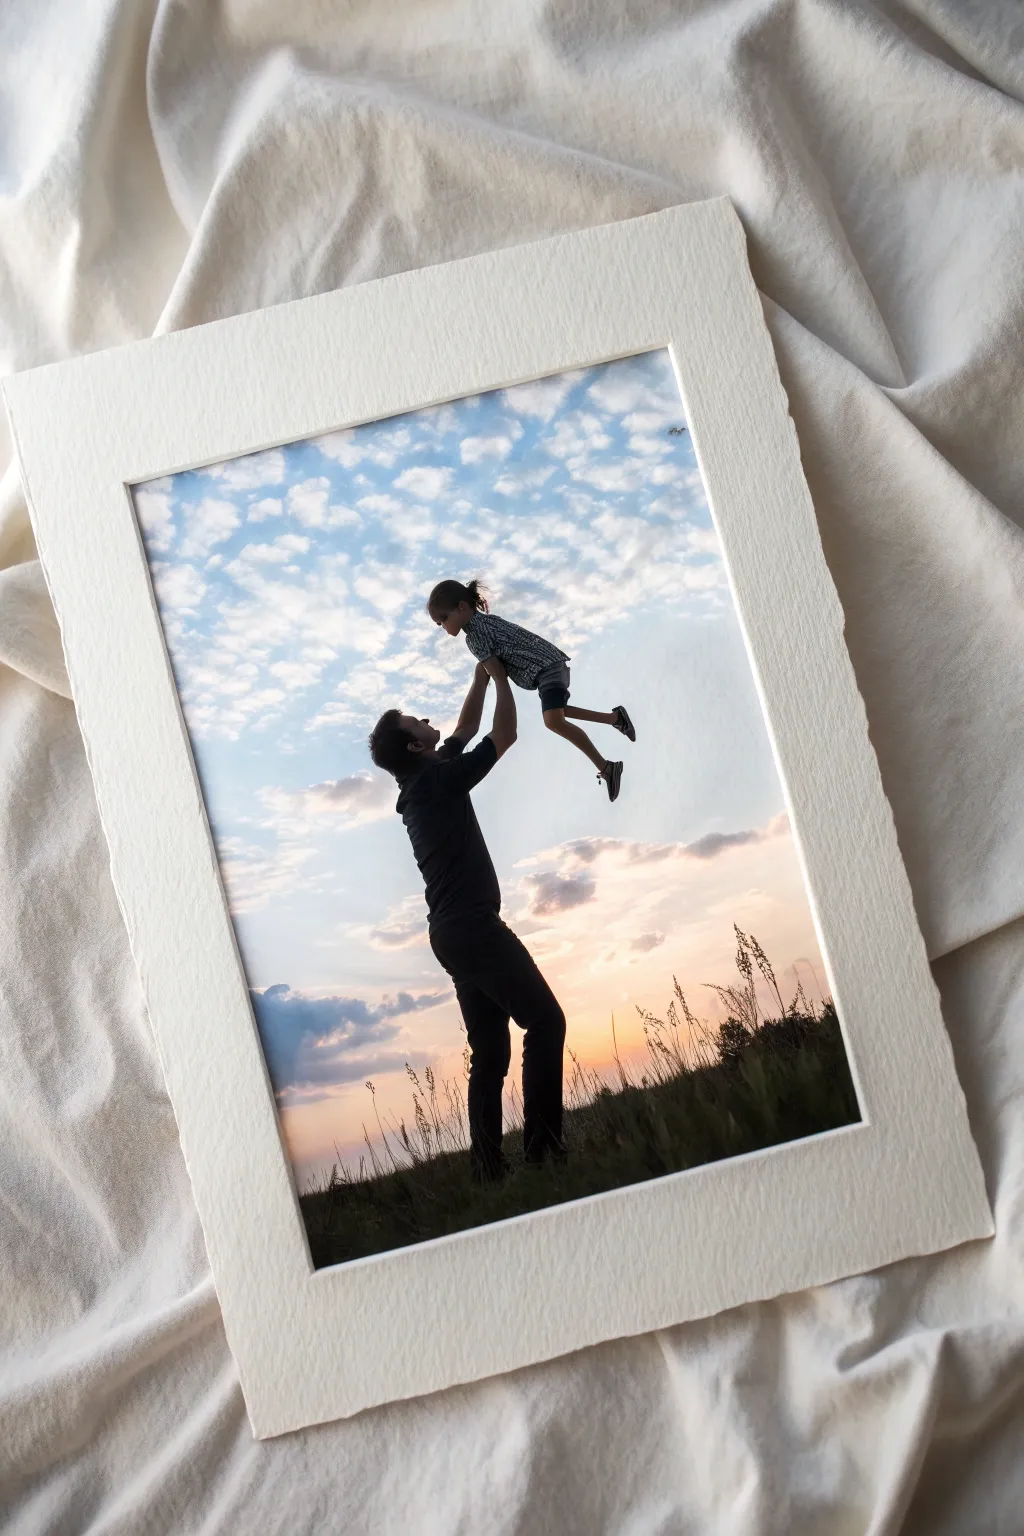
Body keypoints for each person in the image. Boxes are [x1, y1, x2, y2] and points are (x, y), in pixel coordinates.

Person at [368, 658, 566, 1180]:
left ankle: (487, 1170)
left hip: (451, 935)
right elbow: (505, 733)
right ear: (414, 746)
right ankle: (544, 1150)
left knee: (491, 1053)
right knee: (545, 1021)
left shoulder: (425, 776)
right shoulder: (436, 781)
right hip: (473, 928)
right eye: (415, 722)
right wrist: (504, 681)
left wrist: (479, 678)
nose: (425, 721)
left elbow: (465, 729)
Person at [426, 577, 636, 803]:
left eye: (444, 619)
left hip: (546, 670)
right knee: (559, 712)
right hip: (551, 664)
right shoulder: (486, 622)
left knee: (553, 721)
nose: (444, 627)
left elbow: (496, 672)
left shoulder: (474, 636)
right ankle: (615, 718)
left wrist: (493, 680)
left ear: (461, 607)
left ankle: (607, 768)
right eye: (439, 624)